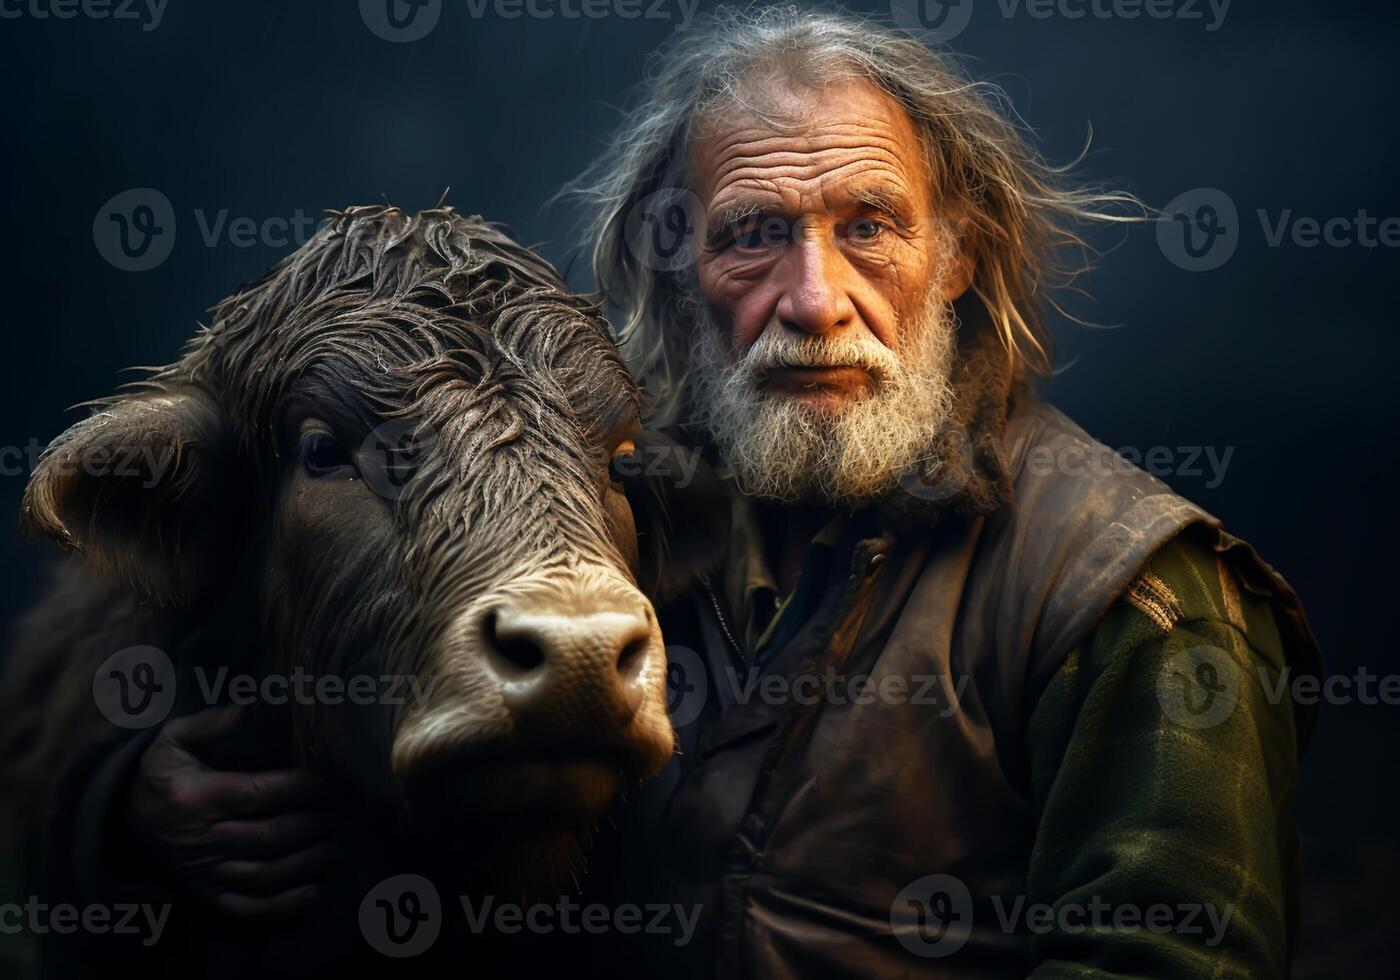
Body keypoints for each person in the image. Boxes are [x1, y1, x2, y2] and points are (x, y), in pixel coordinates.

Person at [572, 7, 1319, 977]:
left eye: (868, 226)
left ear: (957, 254)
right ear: (683, 268)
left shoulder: (1131, 599)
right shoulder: (617, 531)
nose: (812, 298)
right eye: (751, 234)